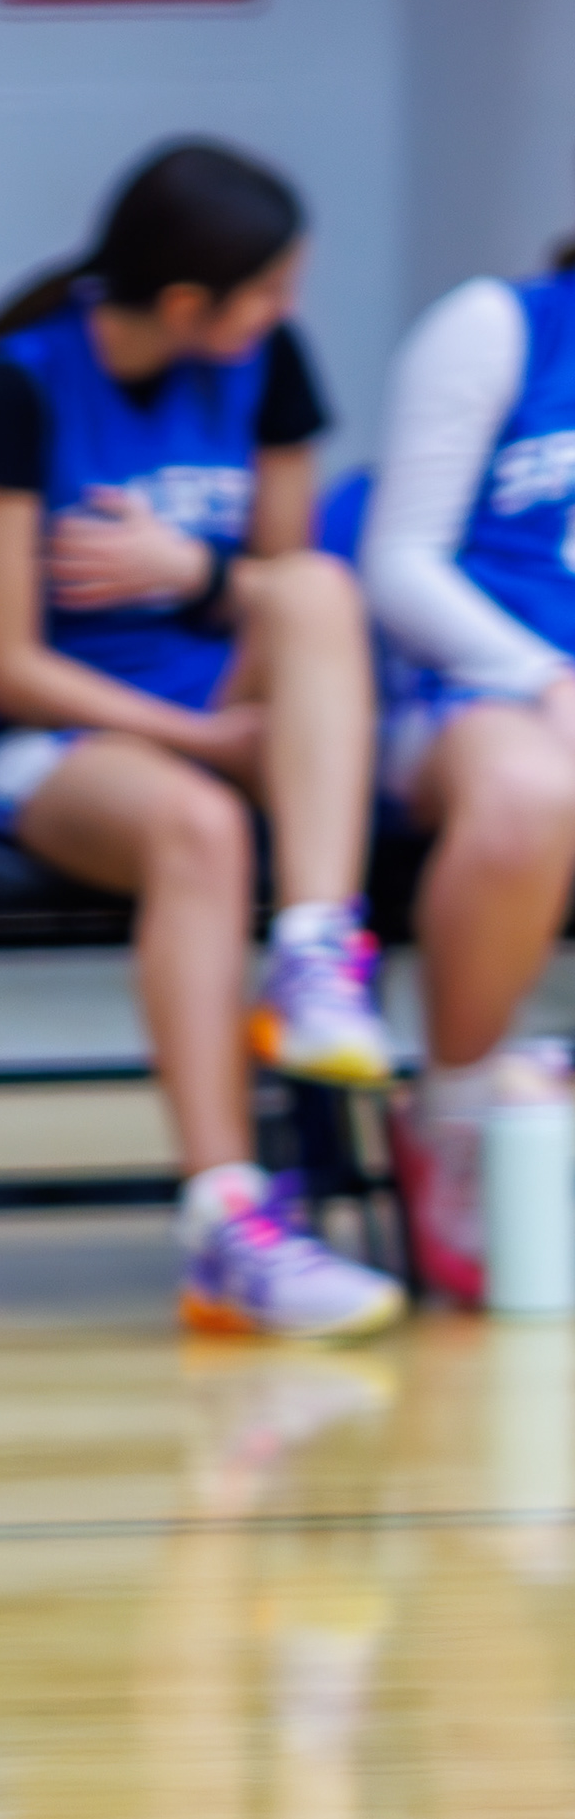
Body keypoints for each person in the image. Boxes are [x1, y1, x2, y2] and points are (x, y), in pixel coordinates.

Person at [0, 140, 403, 1339]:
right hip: (58, 735)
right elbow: (4, 662)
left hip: (224, 702)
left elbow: (276, 581)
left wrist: (190, 570)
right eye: (269, 290)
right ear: (188, 304)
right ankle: (228, 1222)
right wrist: (203, 739)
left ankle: (315, 951)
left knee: (321, 593)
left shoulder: (269, 364)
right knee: (200, 828)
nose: (287, 311)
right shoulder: (15, 390)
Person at [359, 243, 575, 1304]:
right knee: (535, 795)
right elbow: (400, 563)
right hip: (475, 690)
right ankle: (455, 1119)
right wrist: (546, 677)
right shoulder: (499, 327)